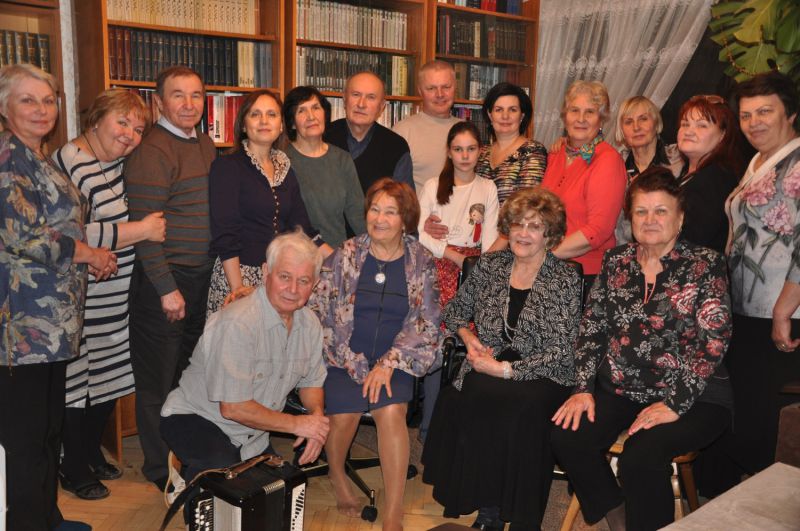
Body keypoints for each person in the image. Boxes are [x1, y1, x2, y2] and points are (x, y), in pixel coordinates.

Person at [551, 168, 733, 531]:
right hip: (623, 388)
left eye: (661, 211)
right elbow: (592, 327)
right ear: (630, 219)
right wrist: (583, 388)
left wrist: (674, 404)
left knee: (640, 456)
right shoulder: (615, 261)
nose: (650, 220)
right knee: (566, 435)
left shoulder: (705, 264)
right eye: (641, 211)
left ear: (680, 218)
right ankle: (619, 516)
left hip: (695, 395)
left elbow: (713, 342)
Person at [422, 187, 581, 531]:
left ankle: (520, 511)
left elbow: (561, 351)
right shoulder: (490, 265)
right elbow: (454, 312)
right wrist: (470, 339)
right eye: (518, 224)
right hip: (488, 360)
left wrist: (505, 369)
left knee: (519, 406)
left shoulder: (565, 277)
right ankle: (489, 509)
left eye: (535, 226)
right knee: (471, 394)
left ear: (549, 234)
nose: (523, 233)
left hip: (544, 371)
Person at [0, 63, 117, 531]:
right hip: (20, 328)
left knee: (48, 431)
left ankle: (46, 517)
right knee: (25, 439)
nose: (41, 109)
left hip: (52, 328)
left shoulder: (38, 156)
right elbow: (24, 236)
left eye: (48, 100)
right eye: (28, 100)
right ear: (5, 106)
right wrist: (90, 254)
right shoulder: (8, 159)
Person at [308, 178, 441, 531]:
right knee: (345, 415)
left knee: (392, 412)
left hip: (395, 360)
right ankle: (337, 474)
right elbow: (319, 309)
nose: (379, 219)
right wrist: (349, 358)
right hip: (343, 355)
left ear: (405, 220)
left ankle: (394, 510)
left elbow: (427, 321)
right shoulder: (346, 254)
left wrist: (388, 362)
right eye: (374, 210)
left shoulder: (421, 260)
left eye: (390, 212)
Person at [52, 89, 166, 501]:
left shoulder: (116, 164)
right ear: (96, 119)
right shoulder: (69, 161)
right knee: (77, 382)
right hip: (83, 292)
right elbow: (70, 233)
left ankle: (88, 453)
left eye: (137, 129)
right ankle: (72, 466)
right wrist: (143, 230)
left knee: (107, 376)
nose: (129, 135)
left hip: (116, 292)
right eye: (122, 123)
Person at [160, 230, 329, 487]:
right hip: (197, 417)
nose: (293, 289)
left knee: (283, 490)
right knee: (229, 485)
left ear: (314, 283)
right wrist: (298, 424)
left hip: (252, 433)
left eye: (303, 280)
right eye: (284, 277)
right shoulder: (238, 323)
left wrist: (315, 420)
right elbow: (233, 407)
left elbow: (311, 383)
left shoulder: (310, 324)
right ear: (266, 272)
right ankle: (189, 490)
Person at [125, 65, 217, 489]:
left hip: (199, 279)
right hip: (166, 282)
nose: (188, 104)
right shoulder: (153, 151)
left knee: (187, 377)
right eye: (177, 95)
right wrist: (166, 289)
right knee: (157, 383)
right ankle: (159, 469)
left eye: (196, 95)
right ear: (158, 102)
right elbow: (145, 230)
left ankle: (182, 455)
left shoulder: (204, 143)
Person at [710, 70, 800, 495]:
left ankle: (771, 505)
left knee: (768, 419)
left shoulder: (797, 163)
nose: (754, 122)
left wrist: (784, 308)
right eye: (746, 115)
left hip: (780, 311)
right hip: (746, 307)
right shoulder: (760, 160)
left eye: (765, 112)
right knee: (744, 411)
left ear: (790, 113)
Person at [207, 89, 328, 315]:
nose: (264, 121)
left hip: (278, 278)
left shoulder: (285, 168)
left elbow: (303, 230)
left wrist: (344, 262)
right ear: (244, 125)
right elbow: (225, 234)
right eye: (255, 114)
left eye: (272, 114)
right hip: (239, 275)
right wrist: (238, 289)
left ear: (281, 125)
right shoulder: (227, 167)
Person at [424, 82, 547, 252]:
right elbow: (461, 199)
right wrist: (430, 222)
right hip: (473, 246)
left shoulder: (532, 151)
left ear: (522, 115)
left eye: (512, 110)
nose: (505, 116)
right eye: (498, 110)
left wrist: (487, 258)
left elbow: (526, 210)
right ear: (489, 115)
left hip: (514, 247)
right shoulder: (480, 153)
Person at [541, 80, 627, 287]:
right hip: (548, 270)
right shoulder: (555, 154)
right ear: (565, 116)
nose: (580, 119)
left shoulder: (608, 160)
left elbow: (598, 230)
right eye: (574, 110)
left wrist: (543, 255)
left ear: (601, 118)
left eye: (590, 112)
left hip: (585, 275)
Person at [417, 121, 499, 309]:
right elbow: (417, 233)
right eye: (458, 149)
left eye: (471, 149)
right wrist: (453, 255)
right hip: (436, 259)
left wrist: (480, 271)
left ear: (480, 151)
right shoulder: (433, 186)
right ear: (449, 152)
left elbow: (489, 241)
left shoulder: (488, 187)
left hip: (472, 265)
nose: (465, 156)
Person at [283, 86, 366, 247]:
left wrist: (376, 249)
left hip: (336, 256)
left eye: (316, 108)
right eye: (301, 111)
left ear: (325, 115)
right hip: (295, 255)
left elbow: (357, 214)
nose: (311, 116)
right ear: (292, 123)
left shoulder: (342, 159)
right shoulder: (282, 160)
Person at [325, 71, 414, 193]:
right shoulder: (323, 137)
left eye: (371, 97)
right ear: (345, 99)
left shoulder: (396, 146)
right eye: (356, 95)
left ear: (382, 106)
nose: (361, 104)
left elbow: (404, 200)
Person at [674, 94, 742, 254]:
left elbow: (691, 244)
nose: (689, 131)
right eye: (685, 124)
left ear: (723, 135)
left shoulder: (715, 180)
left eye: (702, 125)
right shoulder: (691, 172)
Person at [613, 96, 682, 243]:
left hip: (672, 245)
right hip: (626, 248)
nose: (636, 127)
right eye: (628, 122)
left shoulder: (679, 157)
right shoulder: (615, 165)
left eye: (643, 119)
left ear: (656, 123)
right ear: (621, 130)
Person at [392, 60, 462, 193]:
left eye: (446, 87)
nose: (440, 94)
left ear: (455, 88)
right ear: (420, 91)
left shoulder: (467, 130)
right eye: (431, 88)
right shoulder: (402, 131)